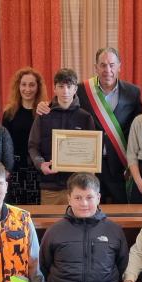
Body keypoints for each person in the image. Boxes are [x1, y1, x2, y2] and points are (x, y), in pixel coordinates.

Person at [38, 48, 142, 204]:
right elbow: (63, 101)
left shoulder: (133, 93)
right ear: (96, 67)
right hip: (89, 165)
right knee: (89, 211)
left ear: (119, 66)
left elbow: (139, 126)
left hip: (120, 164)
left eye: (112, 65)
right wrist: (45, 105)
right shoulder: (82, 90)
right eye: (103, 65)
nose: (108, 70)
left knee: (120, 213)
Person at [40, 173, 129, 282]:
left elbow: (121, 265)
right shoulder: (54, 231)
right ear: (69, 198)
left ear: (99, 198)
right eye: (78, 198)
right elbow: (44, 266)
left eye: (89, 197)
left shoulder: (114, 231)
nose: (84, 203)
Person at [28, 68, 96, 205]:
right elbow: (33, 146)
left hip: (78, 188)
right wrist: (41, 164)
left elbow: (92, 153)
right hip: (50, 187)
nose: (65, 91)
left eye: (69, 86)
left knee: (77, 226)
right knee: (50, 225)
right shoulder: (43, 115)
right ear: (54, 89)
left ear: (75, 89)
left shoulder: (85, 117)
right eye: (61, 86)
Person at [2, 67, 48, 204]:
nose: (27, 89)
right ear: (18, 86)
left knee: (36, 210)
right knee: (16, 210)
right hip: (15, 170)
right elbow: (5, 145)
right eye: (24, 84)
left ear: (38, 88)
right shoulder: (9, 113)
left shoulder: (45, 112)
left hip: (37, 168)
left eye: (32, 85)